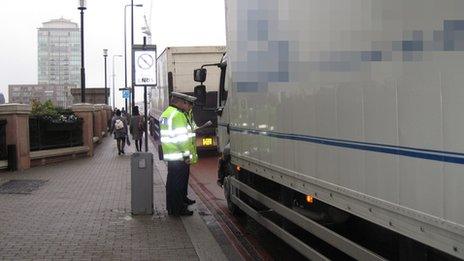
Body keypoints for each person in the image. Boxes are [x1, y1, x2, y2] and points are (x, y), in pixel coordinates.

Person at [159, 92, 198, 216]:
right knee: (177, 184)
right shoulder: (178, 115)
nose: (188, 106)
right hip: (180, 156)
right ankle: (178, 209)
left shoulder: (166, 113)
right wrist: (186, 155)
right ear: (180, 102)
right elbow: (182, 139)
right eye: (186, 103)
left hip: (171, 155)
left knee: (172, 183)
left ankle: (172, 207)